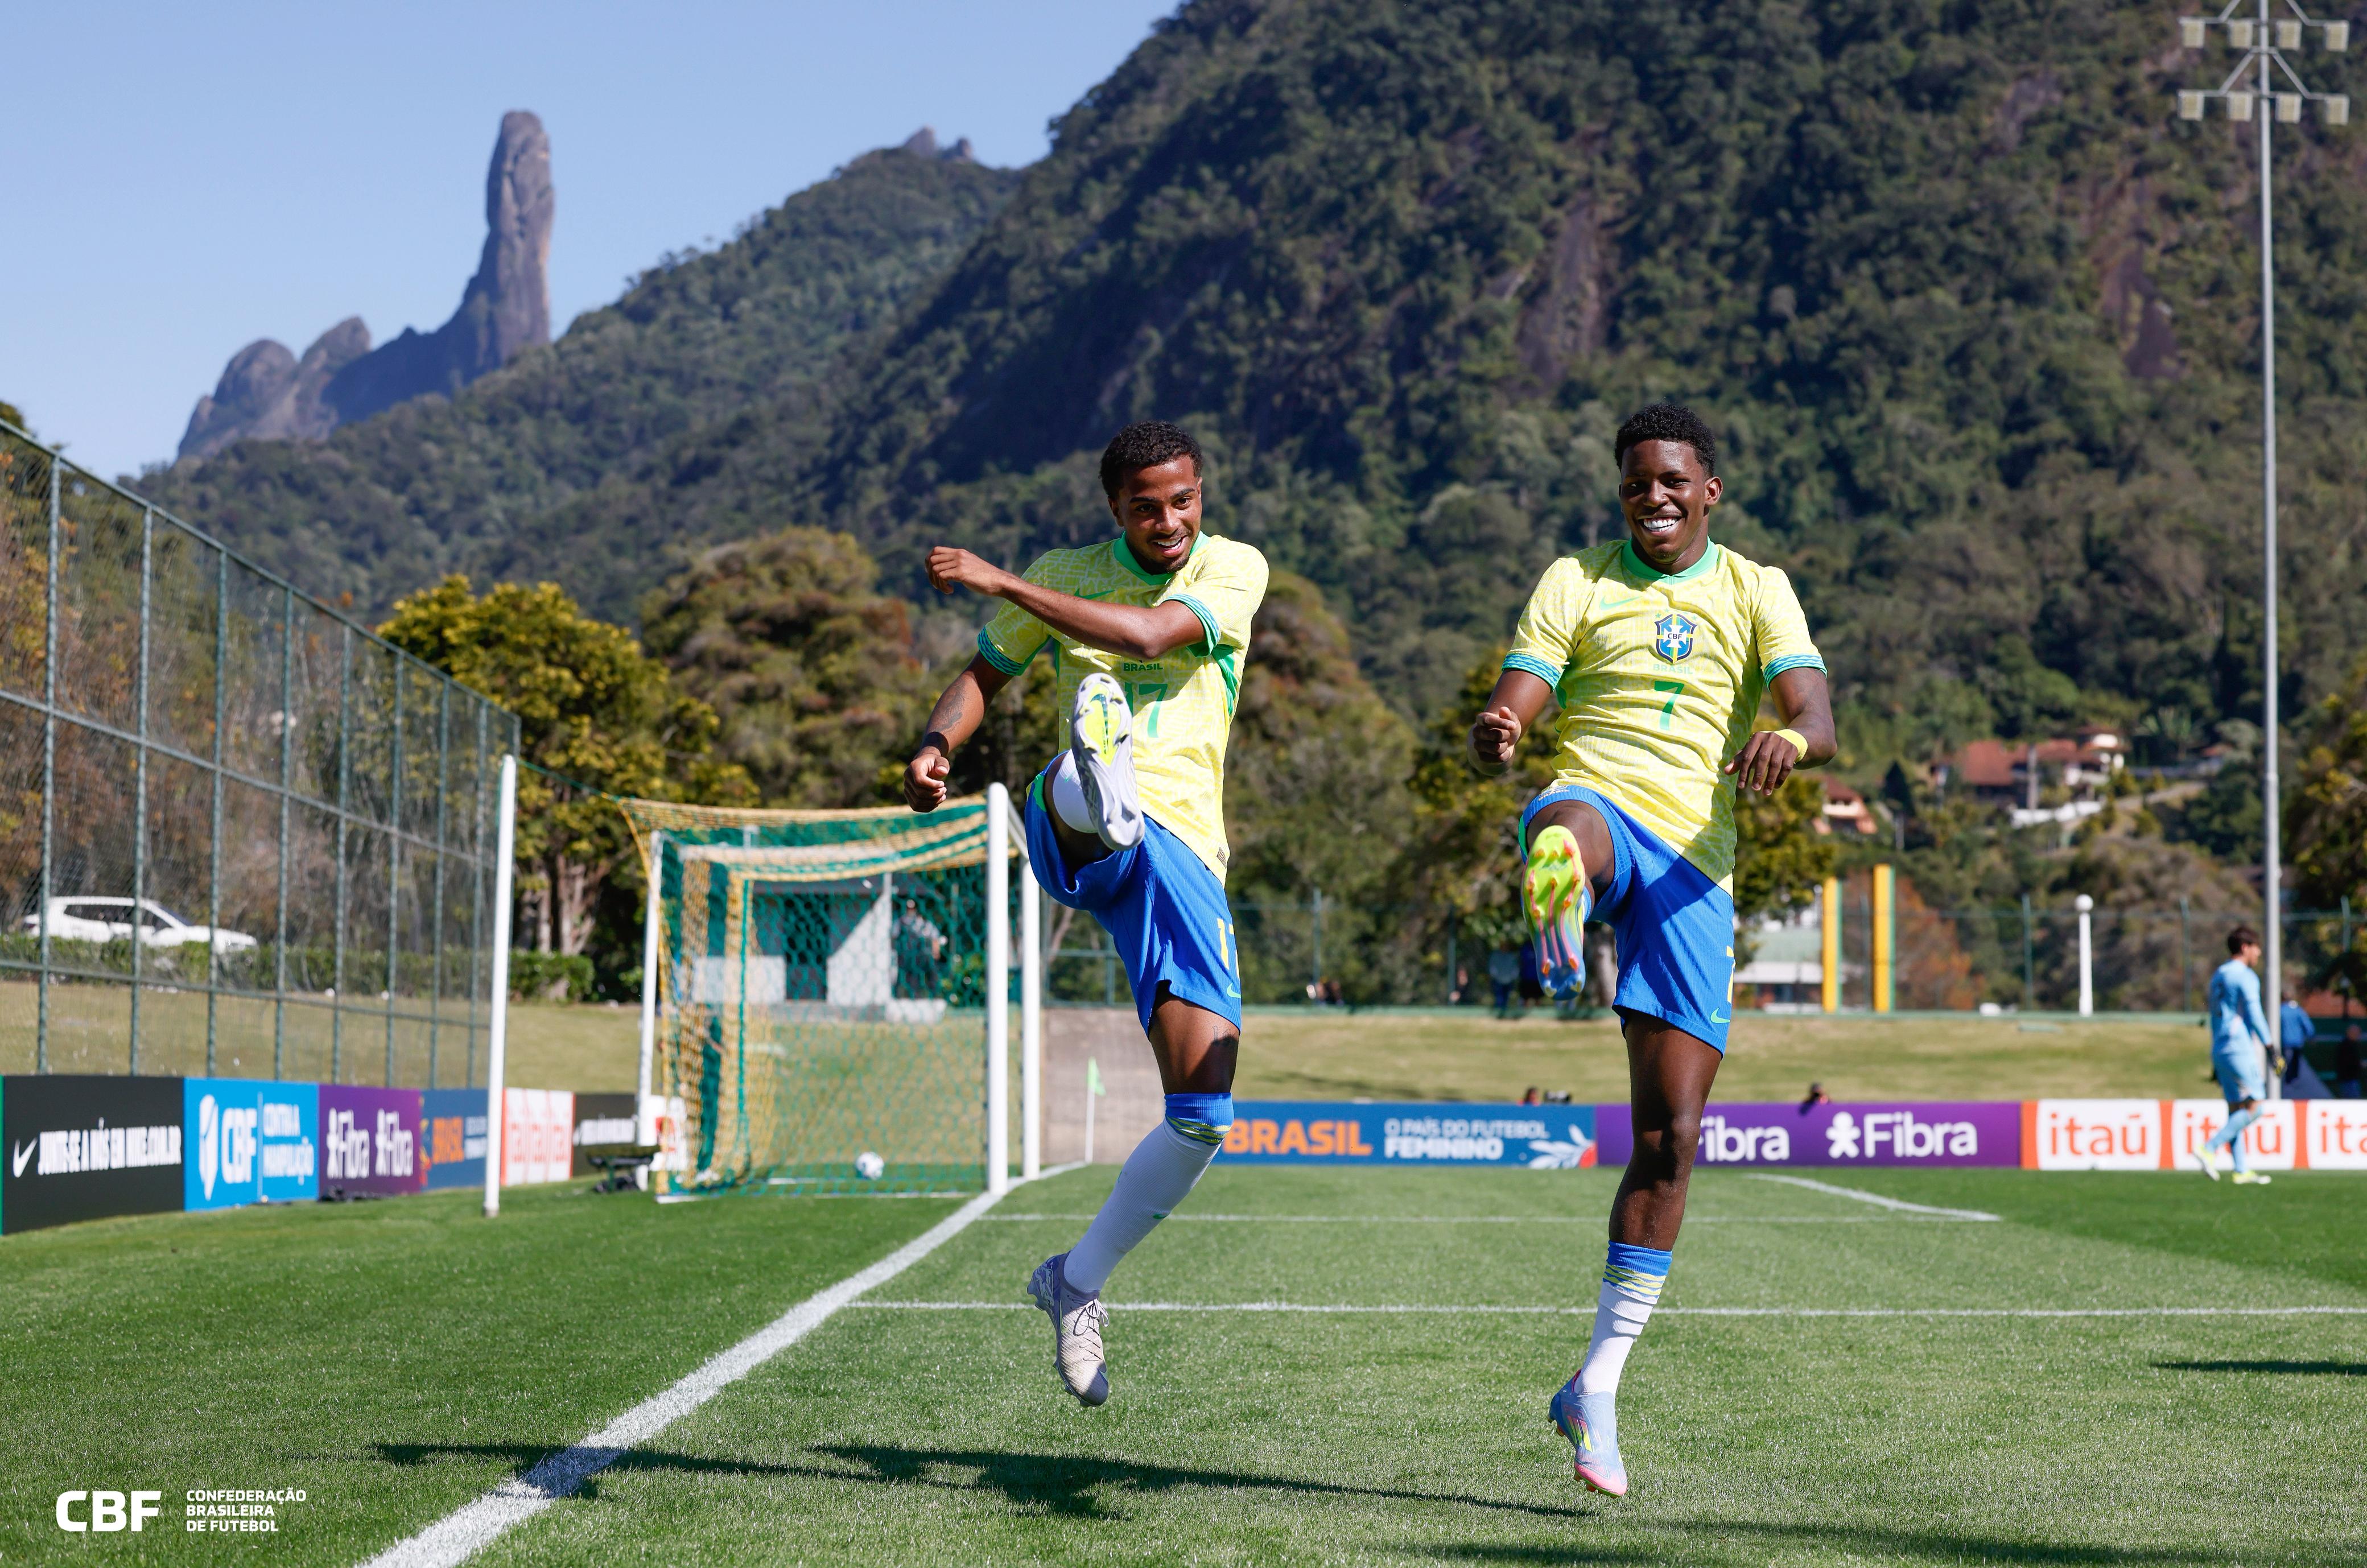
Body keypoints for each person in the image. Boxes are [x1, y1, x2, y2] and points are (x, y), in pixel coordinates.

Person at [1467, 404, 1835, 1497]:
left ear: (1708, 489)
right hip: (1597, 799)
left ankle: (1597, 1386)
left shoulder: (1758, 588)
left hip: (1695, 868)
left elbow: (1818, 717)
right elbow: (1518, 695)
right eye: (1636, 484)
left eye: (1672, 481)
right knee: (1566, 828)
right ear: (1620, 493)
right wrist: (1502, 726)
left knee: (1671, 1138)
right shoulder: (1576, 580)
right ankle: (1561, 890)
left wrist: (1786, 736)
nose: (1653, 498)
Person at [902, 419, 1267, 1408]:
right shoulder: (1069, 572)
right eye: (1146, 508)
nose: (1168, 521)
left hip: (1185, 853)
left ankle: (1075, 1281)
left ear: (1201, 496)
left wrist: (999, 580)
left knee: (1204, 1116)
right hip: (1087, 828)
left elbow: (1149, 635)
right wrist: (937, 744)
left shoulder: (1234, 568)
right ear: (1116, 510)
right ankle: (1093, 777)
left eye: (1183, 501)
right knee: (1085, 784)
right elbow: (982, 677)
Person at [2195, 927, 2274, 1185]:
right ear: (2245, 947)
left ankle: (2241, 1170)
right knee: (2256, 1106)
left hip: (2220, 1047)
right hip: (2238, 1046)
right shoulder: (2245, 975)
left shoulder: (2219, 975)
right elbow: (2255, 1013)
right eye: (2256, 947)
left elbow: (2216, 1014)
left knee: (2235, 1109)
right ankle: (2209, 1147)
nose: (2259, 953)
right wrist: (2271, 1047)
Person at [2279, 989, 2315, 1088]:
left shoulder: (2280, 1010)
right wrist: (2311, 1036)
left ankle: (2285, 1078)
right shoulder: (2298, 1010)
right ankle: (2293, 1079)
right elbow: (2307, 1024)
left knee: (2285, 1060)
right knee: (2295, 1061)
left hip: (2285, 1041)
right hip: (2297, 1041)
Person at [1488, 947, 1522, 1017]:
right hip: (1498, 981)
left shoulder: (1512, 956)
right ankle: (1498, 1014)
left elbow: (1515, 968)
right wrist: (1495, 977)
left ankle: (1504, 1014)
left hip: (1509, 981)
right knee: (1499, 998)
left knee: (1507, 998)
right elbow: (1492, 968)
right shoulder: (1495, 956)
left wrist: (1513, 977)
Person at [2336, 1022, 2364, 1100]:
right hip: (2347, 1079)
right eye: (2356, 1033)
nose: (2358, 1035)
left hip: (2351, 1078)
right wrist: (2360, 1064)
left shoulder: (2352, 1045)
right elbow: (2348, 1062)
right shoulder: (2345, 1046)